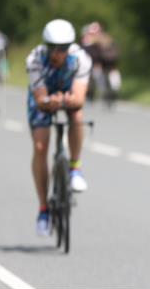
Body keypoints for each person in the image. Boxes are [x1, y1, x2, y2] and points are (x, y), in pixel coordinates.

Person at [26, 19, 92, 236]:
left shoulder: (81, 58)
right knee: (40, 146)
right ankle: (43, 210)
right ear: (45, 45)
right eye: (53, 47)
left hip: (68, 92)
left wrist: (66, 100)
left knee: (77, 115)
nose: (58, 53)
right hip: (43, 97)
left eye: (63, 48)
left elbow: (79, 99)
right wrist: (48, 102)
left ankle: (75, 168)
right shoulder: (35, 59)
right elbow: (40, 98)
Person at [81, 21, 121, 104]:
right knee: (99, 81)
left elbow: (114, 53)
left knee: (114, 83)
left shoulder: (107, 40)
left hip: (109, 65)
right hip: (100, 65)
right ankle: (100, 95)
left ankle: (111, 95)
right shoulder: (89, 42)